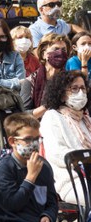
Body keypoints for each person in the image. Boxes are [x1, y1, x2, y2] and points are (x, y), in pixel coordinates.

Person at [0, 113, 83, 222]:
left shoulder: (44, 166)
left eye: (37, 139)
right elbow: (12, 205)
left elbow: (52, 200)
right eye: (28, 139)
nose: (34, 144)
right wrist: (30, 178)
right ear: (12, 141)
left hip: (38, 220)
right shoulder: (5, 168)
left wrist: (48, 216)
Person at [40, 70, 91, 205]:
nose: (80, 92)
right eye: (74, 88)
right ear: (62, 95)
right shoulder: (52, 117)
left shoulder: (86, 119)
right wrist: (85, 159)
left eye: (83, 88)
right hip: (72, 180)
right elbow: (56, 154)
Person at [20, 33, 71, 119]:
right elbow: (24, 116)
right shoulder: (30, 82)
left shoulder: (71, 80)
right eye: (56, 49)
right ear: (44, 54)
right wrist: (48, 105)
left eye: (64, 50)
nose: (60, 53)